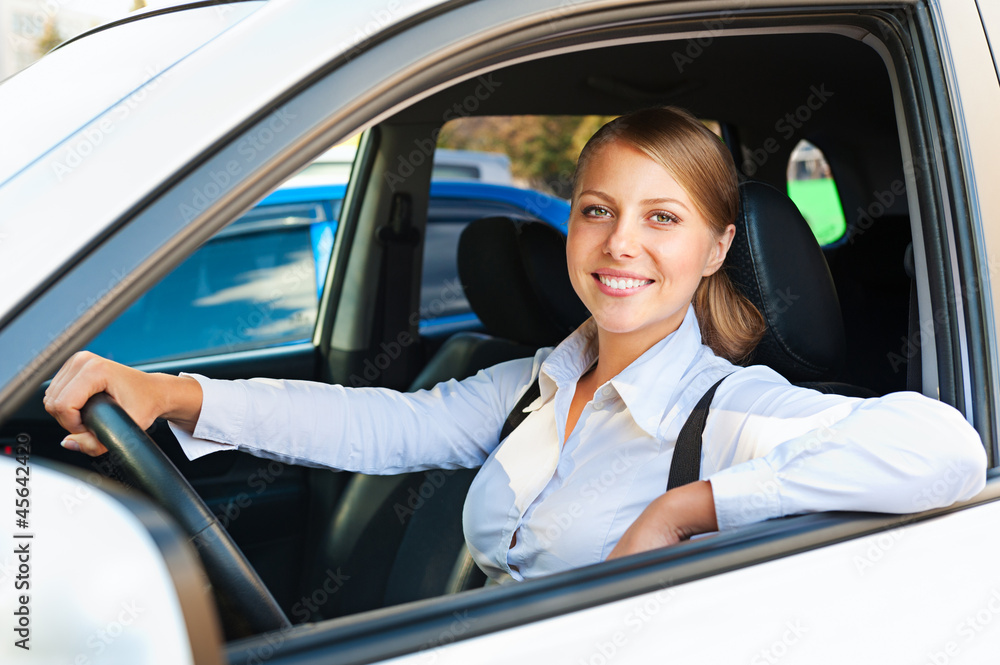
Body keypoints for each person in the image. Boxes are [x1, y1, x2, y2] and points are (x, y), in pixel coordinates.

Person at [44, 107, 987, 583]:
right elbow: (381, 426)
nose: (621, 244)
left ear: (717, 250)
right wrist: (171, 394)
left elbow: (944, 449)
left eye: (663, 218)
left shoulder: (732, 410)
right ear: (568, 228)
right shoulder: (535, 386)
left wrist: (687, 508)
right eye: (596, 212)